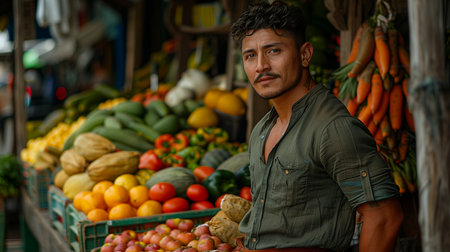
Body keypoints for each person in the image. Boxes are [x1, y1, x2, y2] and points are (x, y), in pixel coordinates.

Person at [230, 1, 403, 252]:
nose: (261, 66)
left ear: (305, 54)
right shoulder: (261, 130)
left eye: (274, 51)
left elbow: (385, 218)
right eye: (250, 56)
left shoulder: (332, 129)